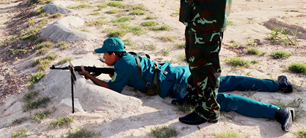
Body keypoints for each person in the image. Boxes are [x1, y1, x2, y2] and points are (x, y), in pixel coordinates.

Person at [78, 37, 295, 132]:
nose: (103, 58)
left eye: (104, 55)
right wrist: (101, 71)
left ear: (114, 54)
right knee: (229, 81)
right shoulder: (128, 58)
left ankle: (277, 112)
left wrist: (89, 76)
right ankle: (278, 85)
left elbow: (112, 88)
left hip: (177, 84)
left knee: (219, 100)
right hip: (179, 70)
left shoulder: (121, 66)